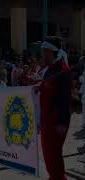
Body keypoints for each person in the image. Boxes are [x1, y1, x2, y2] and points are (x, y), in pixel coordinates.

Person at [38, 37, 71, 180]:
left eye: (44, 51)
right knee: (49, 156)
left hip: (55, 119)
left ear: (50, 51)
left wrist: (62, 122)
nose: (42, 55)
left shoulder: (62, 70)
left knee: (52, 155)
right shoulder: (49, 69)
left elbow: (65, 97)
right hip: (47, 118)